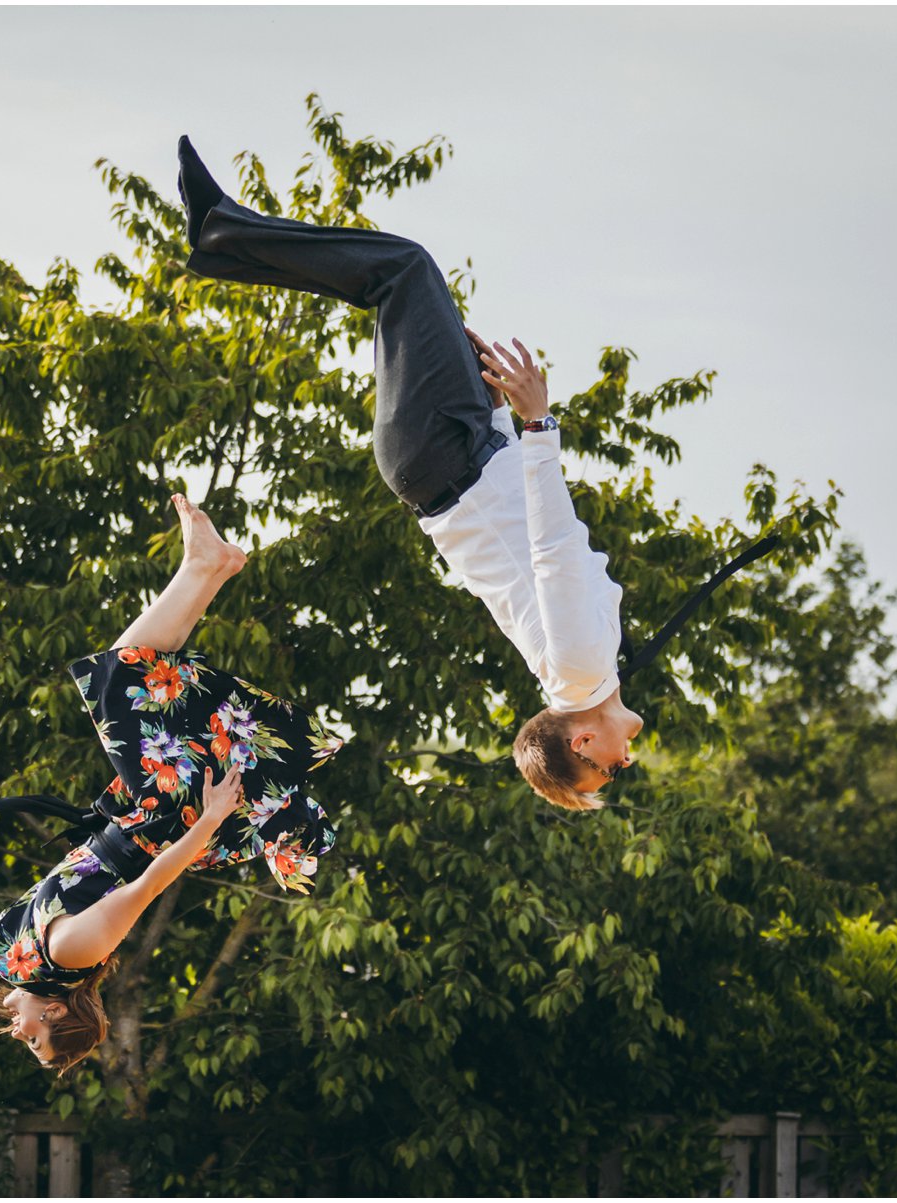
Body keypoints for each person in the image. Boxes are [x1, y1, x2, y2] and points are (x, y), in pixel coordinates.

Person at [175, 135, 644, 812]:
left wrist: (539, 424)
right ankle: (218, 241)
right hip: (464, 448)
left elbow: (550, 545)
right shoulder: (587, 668)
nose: (624, 763)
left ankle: (218, 230)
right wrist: (505, 423)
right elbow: (521, 532)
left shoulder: (578, 667)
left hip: (443, 455)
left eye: (609, 772)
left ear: (583, 745)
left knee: (404, 271)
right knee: (396, 280)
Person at [0, 494, 343, 1073]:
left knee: (142, 672)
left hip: (142, 815)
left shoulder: (34, 962)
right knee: (126, 674)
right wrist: (212, 819)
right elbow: (148, 885)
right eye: (33, 1040)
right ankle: (205, 565)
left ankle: (211, 565)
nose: (18, 1032)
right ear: (54, 1016)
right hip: (165, 819)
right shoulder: (71, 953)